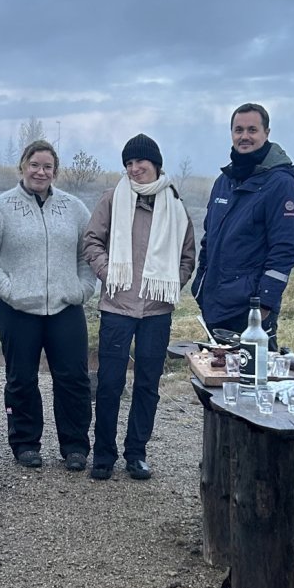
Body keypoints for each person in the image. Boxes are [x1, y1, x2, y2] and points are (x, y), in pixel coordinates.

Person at [83, 134, 196, 481]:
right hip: (117, 307)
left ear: (155, 165)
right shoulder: (111, 199)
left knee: (148, 385)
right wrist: (108, 274)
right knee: (110, 383)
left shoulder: (175, 205)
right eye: (129, 163)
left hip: (156, 313)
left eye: (140, 162)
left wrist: (171, 284)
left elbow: (187, 256)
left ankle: (137, 453)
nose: (134, 169)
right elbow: (92, 240)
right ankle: (103, 454)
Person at [0, 139, 96, 470]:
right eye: (34, 164)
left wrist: (84, 287)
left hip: (65, 305)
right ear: (22, 166)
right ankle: (25, 443)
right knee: (21, 378)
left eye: (47, 166)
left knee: (73, 377)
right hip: (16, 308)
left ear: (55, 171)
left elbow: (86, 253)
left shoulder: (74, 209)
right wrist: (8, 289)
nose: (40, 171)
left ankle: (75, 445)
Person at [191, 103, 294, 345]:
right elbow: (209, 240)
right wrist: (200, 285)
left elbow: (285, 250)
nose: (244, 136)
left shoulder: (280, 184)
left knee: (252, 379)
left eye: (252, 130)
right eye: (238, 130)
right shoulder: (224, 181)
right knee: (217, 378)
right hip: (216, 307)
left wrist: (263, 305)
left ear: (266, 133)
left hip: (250, 313)